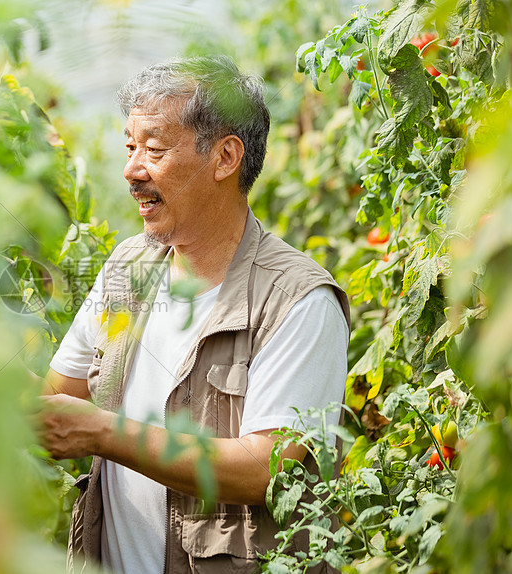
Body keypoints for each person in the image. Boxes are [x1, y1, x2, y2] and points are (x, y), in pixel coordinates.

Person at [37, 56, 350, 574]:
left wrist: (103, 433)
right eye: (130, 146)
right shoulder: (129, 269)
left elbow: (266, 469)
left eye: (154, 150)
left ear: (225, 158)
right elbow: (59, 397)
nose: (131, 171)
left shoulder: (296, 300)